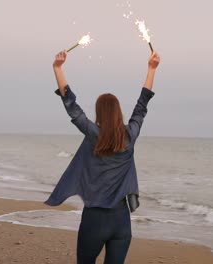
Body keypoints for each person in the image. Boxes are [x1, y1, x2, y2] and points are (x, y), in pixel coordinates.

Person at [44, 49, 160, 264]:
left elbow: (72, 107)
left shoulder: (93, 134)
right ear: (118, 113)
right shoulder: (130, 136)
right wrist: (151, 69)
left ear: (99, 112)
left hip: (94, 219)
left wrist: (58, 68)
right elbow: (142, 106)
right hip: (121, 219)